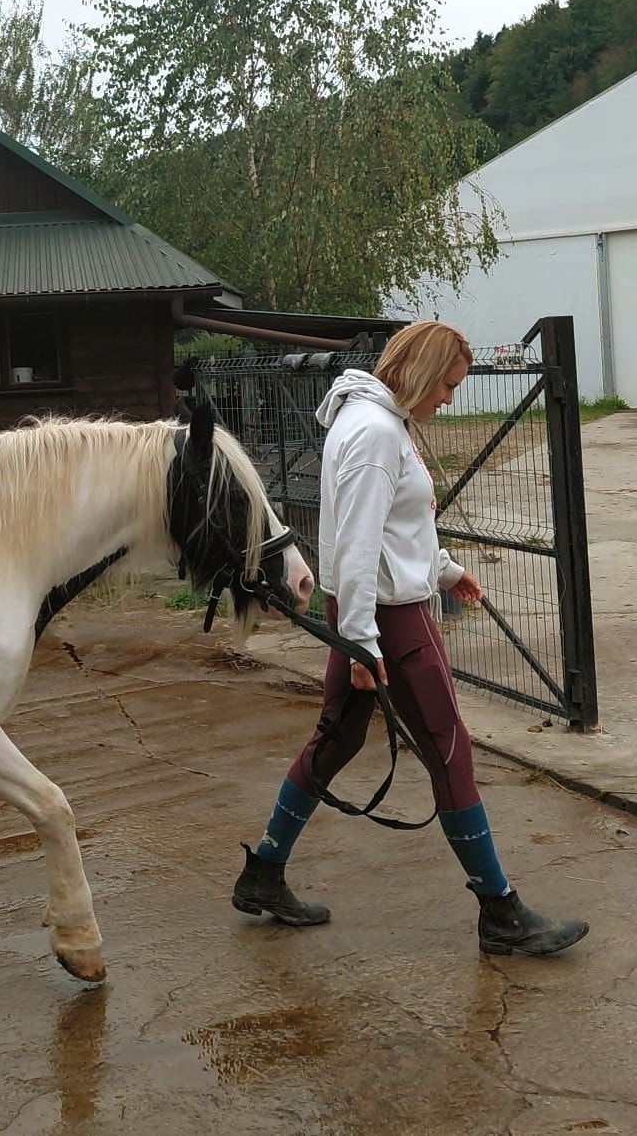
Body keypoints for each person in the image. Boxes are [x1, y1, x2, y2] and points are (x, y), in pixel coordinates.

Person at [231, 320, 589, 957]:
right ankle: (501, 912)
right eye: (447, 385)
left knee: (337, 740)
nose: (449, 399)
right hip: (390, 620)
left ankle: (264, 871)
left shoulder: (370, 419)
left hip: (366, 612)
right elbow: (358, 543)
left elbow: (392, 526)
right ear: (421, 373)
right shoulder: (376, 432)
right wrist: (363, 643)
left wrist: (444, 570)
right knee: (450, 754)